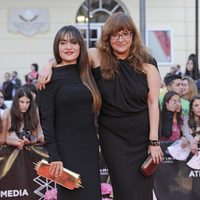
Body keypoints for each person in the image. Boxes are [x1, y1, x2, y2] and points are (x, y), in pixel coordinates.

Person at [38, 12, 163, 200]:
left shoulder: (147, 63)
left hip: (143, 138)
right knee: (123, 189)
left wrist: (154, 141)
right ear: (108, 37)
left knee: (142, 191)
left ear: (133, 36)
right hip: (112, 137)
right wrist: (48, 65)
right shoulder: (97, 56)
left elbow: (153, 102)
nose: (120, 39)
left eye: (125, 34)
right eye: (115, 34)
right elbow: (71, 55)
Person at [37, 25, 102, 200]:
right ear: (56, 47)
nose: (68, 47)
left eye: (74, 42)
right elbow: (46, 120)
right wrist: (55, 156)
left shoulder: (88, 74)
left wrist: (49, 63)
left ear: (81, 46)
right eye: (63, 42)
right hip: (65, 152)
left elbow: (97, 51)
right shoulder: (49, 78)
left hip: (89, 148)